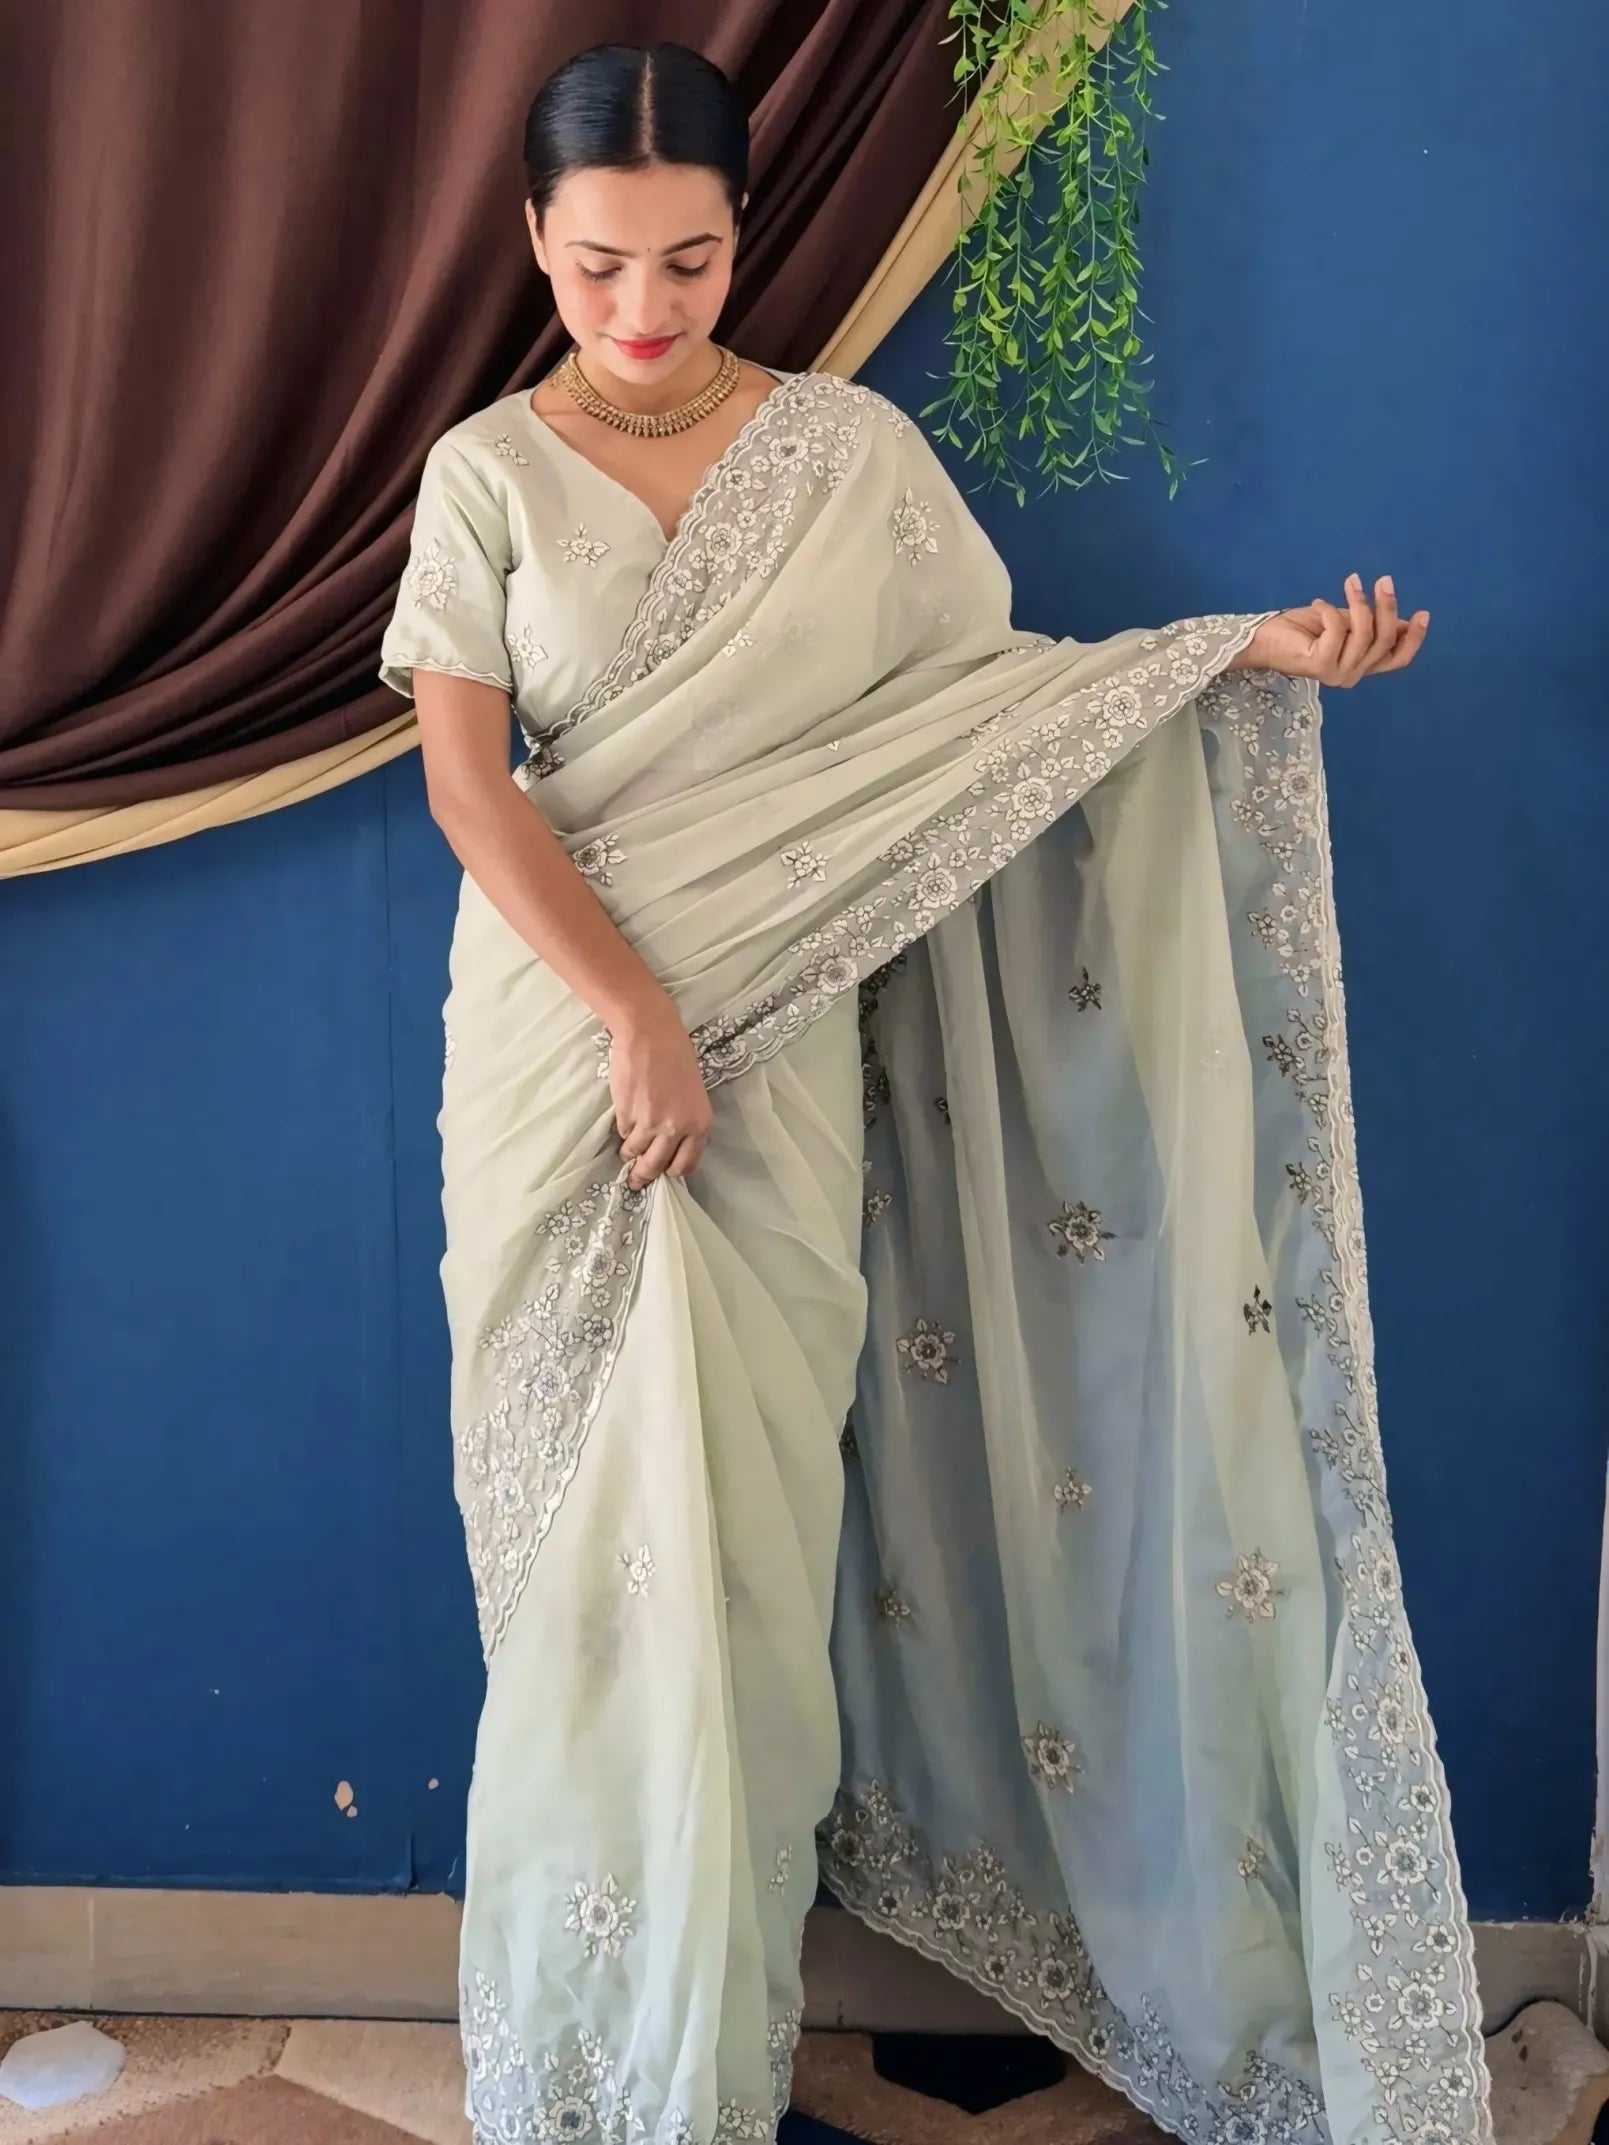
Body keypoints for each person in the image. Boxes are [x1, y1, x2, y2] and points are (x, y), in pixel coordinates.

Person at [378, 40, 1488, 2145]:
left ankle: (703, 2067)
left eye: (687, 261)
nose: (641, 309)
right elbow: (463, 779)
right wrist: (629, 1009)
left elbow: (978, 728)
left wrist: (1237, 656)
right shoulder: (483, 478)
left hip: (781, 1055)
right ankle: (589, 2084)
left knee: (748, 1562)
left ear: (738, 239)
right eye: (598, 266)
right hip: (559, 1055)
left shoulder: (848, 462)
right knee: (586, 1588)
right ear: (532, 239)